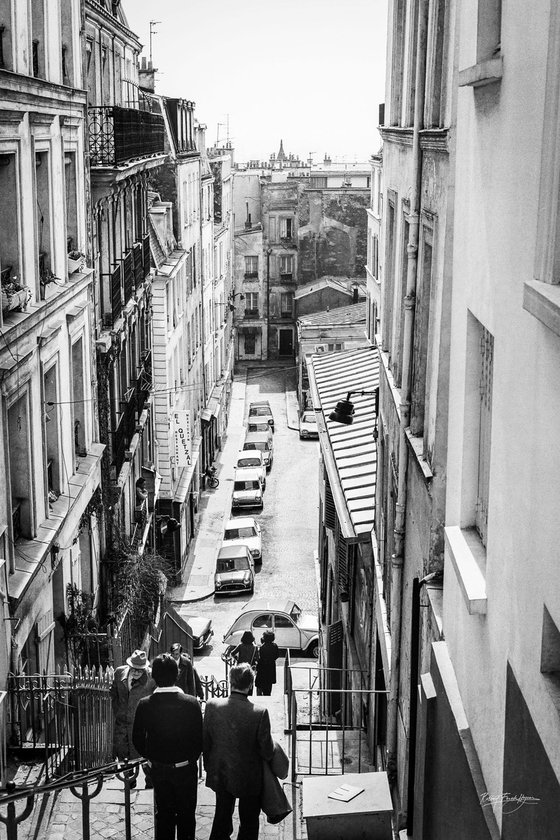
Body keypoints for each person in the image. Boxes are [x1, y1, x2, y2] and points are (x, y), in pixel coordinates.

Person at [133, 653, 203, 840]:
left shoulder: (145, 705)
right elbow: (199, 739)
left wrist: (151, 757)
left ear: (153, 676)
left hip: (159, 769)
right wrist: (189, 759)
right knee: (187, 816)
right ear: (177, 674)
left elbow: (137, 739)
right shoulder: (191, 703)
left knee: (164, 816)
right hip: (186, 768)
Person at [203, 663, 275, 840]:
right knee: (249, 821)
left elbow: (206, 742)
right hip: (249, 777)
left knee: (221, 815)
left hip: (221, 773)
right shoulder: (260, 712)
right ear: (251, 685)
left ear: (230, 681)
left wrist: (209, 767)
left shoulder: (212, 706)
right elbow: (267, 751)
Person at [110, 649, 155, 788]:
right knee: (124, 754)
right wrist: (118, 711)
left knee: (145, 755)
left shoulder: (152, 678)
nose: (136, 672)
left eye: (140, 670)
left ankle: (150, 784)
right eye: (134, 669)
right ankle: (129, 783)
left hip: (142, 725)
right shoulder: (119, 673)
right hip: (122, 723)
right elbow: (113, 693)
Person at [255, 631, 280, 696]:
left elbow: (261, 657)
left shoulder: (262, 647)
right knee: (268, 686)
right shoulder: (275, 646)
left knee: (260, 684)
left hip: (263, 668)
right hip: (271, 667)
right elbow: (277, 655)